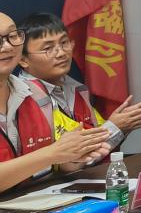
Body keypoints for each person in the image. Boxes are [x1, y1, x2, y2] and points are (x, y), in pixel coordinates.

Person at [0, 11, 111, 193]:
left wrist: (71, 158)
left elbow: (49, 168)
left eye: (12, 36)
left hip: (36, 200)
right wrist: (52, 153)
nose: (7, 46)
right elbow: (48, 156)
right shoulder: (38, 94)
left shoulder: (30, 96)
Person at [19, 12, 141, 149]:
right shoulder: (22, 98)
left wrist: (124, 126)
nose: (61, 53)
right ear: (23, 59)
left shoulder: (77, 89)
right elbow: (59, 157)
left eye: (64, 43)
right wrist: (115, 127)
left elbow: (97, 148)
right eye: (48, 48)